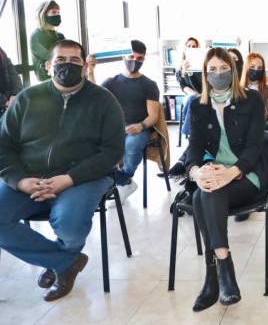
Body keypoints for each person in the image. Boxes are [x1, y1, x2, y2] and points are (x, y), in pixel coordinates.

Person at [0, 39, 124, 302]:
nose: (67, 66)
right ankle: (64, 262)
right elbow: (3, 145)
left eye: (74, 61)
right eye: (60, 60)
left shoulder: (104, 100)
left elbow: (112, 152)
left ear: (84, 65)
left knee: (68, 226)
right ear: (47, 66)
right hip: (30, 178)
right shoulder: (27, 98)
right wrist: (20, 181)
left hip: (84, 177)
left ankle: (56, 261)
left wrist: (68, 179)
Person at [185, 47, 268, 311]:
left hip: (248, 173)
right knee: (203, 191)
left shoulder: (251, 99)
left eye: (224, 69)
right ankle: (221, 271)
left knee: (202, 195)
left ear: (234, 70)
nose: (218, 74)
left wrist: (230, 172)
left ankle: (213, 275)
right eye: (212, 70)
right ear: (204, 74)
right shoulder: (197, 105)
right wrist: (195, 172)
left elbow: (254, 147)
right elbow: (192, 150)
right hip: (215, 174)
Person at [87, 40, 161, 204]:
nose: (135, 61)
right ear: (123, 56)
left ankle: (123, 180)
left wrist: (141, 126)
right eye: (131, 56)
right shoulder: (111, 82)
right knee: (91, 148)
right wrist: (90, 72)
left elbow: (153, 115)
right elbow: (95, 98)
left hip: (139, 127)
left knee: (132, 145)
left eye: (140, 58)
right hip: (113, 128)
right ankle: (125, 182)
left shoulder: (149, 84)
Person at [241, 53, 268, 132]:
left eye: (260, 68)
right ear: (246, 68)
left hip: (263, 134)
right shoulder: (237, 91)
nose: (256, 70)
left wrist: (259, 126)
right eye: (252, 67)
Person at [29, 0, 65, 82]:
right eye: (53, 12)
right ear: (43, 14)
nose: (57, 15)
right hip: (47, 79)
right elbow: (51, 57)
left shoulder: (60, 36)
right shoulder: (37, 36)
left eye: (58, 12)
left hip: (62, 76)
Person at [178, 38, 204, 138]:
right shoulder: (180, 67)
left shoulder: (202, 65)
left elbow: (203, 86)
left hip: (203, 93)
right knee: (191, 99)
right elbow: (183, 86)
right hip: (190, 95)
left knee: (193, 100)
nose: (191, 48)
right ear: (185, 48)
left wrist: (199, 93)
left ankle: (189, 133)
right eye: (189, 46)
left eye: (194, 46)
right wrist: (194, 93)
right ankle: (192, 133)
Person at [0, 46, 23, 114]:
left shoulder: (1, 51)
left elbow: (12, 72)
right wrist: (4, 101)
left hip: (8, 104)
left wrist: (15, 94)